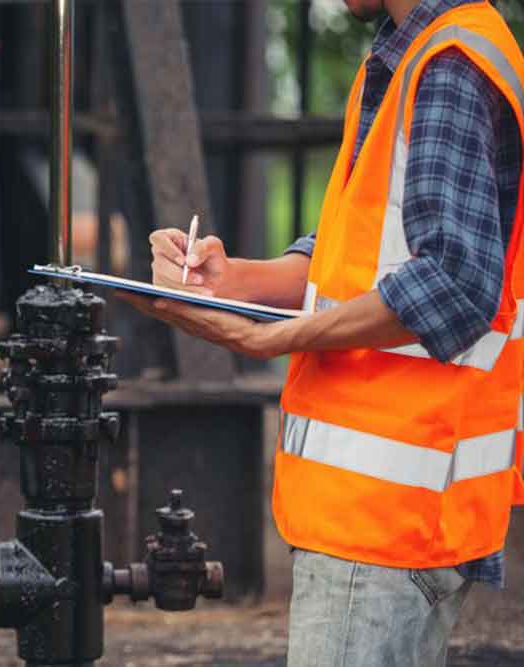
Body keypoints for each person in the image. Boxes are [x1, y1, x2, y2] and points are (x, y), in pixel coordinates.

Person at [119, 1, 524, 665]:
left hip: (385, 518)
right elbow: (354, 257)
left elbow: (453, 281)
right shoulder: (409, 58)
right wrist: (231, 279)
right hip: (388, 514)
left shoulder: (449, 68)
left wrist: (276, 340)